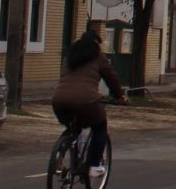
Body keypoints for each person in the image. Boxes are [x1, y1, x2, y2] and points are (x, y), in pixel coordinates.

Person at [51, 26, 127, 179]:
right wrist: (120, 96)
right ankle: (94, 165)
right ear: (96, 45)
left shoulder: (69, 57)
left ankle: (59, 153)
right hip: (87, 101)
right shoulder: (99, 57)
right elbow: (111, 79)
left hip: (60, 100)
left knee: (72, 127)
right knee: (100, 127)